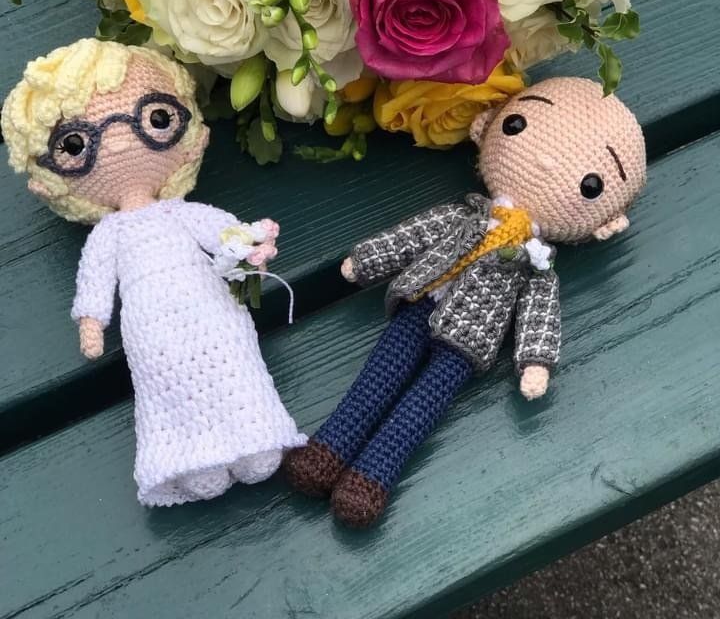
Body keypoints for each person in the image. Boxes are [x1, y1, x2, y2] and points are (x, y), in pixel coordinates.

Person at [284, 77, 647, 526]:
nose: (548, 162)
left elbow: (540, 312)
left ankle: (371, 477)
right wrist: (367, 260)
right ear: (486, 126)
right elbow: (414, 235)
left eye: (591, 185)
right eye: (517, 125)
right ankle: (328, 449)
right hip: (419, 303)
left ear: (606, 223)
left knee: (423, 406)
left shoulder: (536, 263)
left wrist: (535, 360)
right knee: (377, 377)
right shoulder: (465, 216)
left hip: (469, 341)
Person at [2, 38, 306, 507]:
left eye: (156, 119)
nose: (120, 141)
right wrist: (91, 320)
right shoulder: (110, 233)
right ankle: (191, 457)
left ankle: (257, 434)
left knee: (235, 366)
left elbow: (224, 234)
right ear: (51, 180)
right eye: (76, 144)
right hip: (152, 331)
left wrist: (249, 250)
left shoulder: (181, 213)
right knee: (168, 385)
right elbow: (95, 278)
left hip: (212, 311)